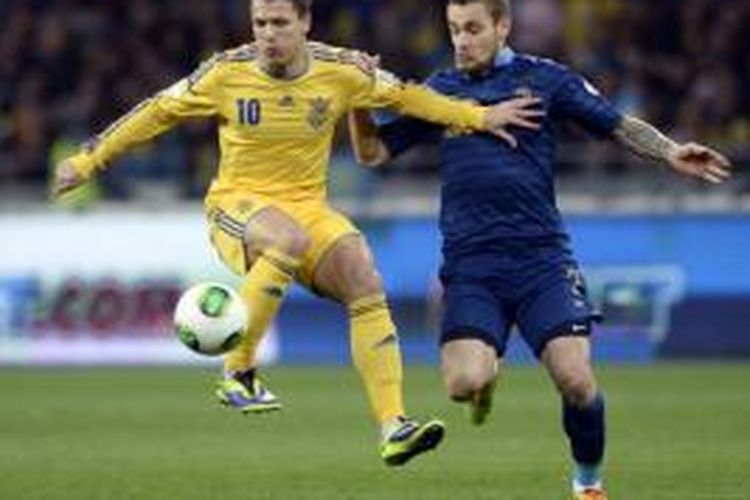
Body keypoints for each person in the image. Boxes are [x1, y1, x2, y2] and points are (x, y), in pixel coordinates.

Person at [51, 0, 527, 467]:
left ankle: (393, 426)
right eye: (259, 22)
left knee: (364, 277)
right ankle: (237, 372)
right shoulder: (224, 71)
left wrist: (479, 117)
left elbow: (409, 96)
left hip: (307, 208)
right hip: (237, 205)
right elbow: (155, 111)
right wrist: (91, 160)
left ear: (305, 23)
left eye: (279, 22)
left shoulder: (341, 69)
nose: (267, 33)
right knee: (287, 240)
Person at [348, 0, 732, 494]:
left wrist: (670, 150)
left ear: (503, 26)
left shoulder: (547, 80)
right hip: (472, 267)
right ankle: (487, 375)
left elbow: (615, 124)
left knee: (575, 380)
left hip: (541, 260)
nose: (461, 40)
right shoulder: (440, 91)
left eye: (472, 29)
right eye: (453, 30)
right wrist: (358, 100)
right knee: (463, 385)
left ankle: (588, 484)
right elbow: (372, 152)